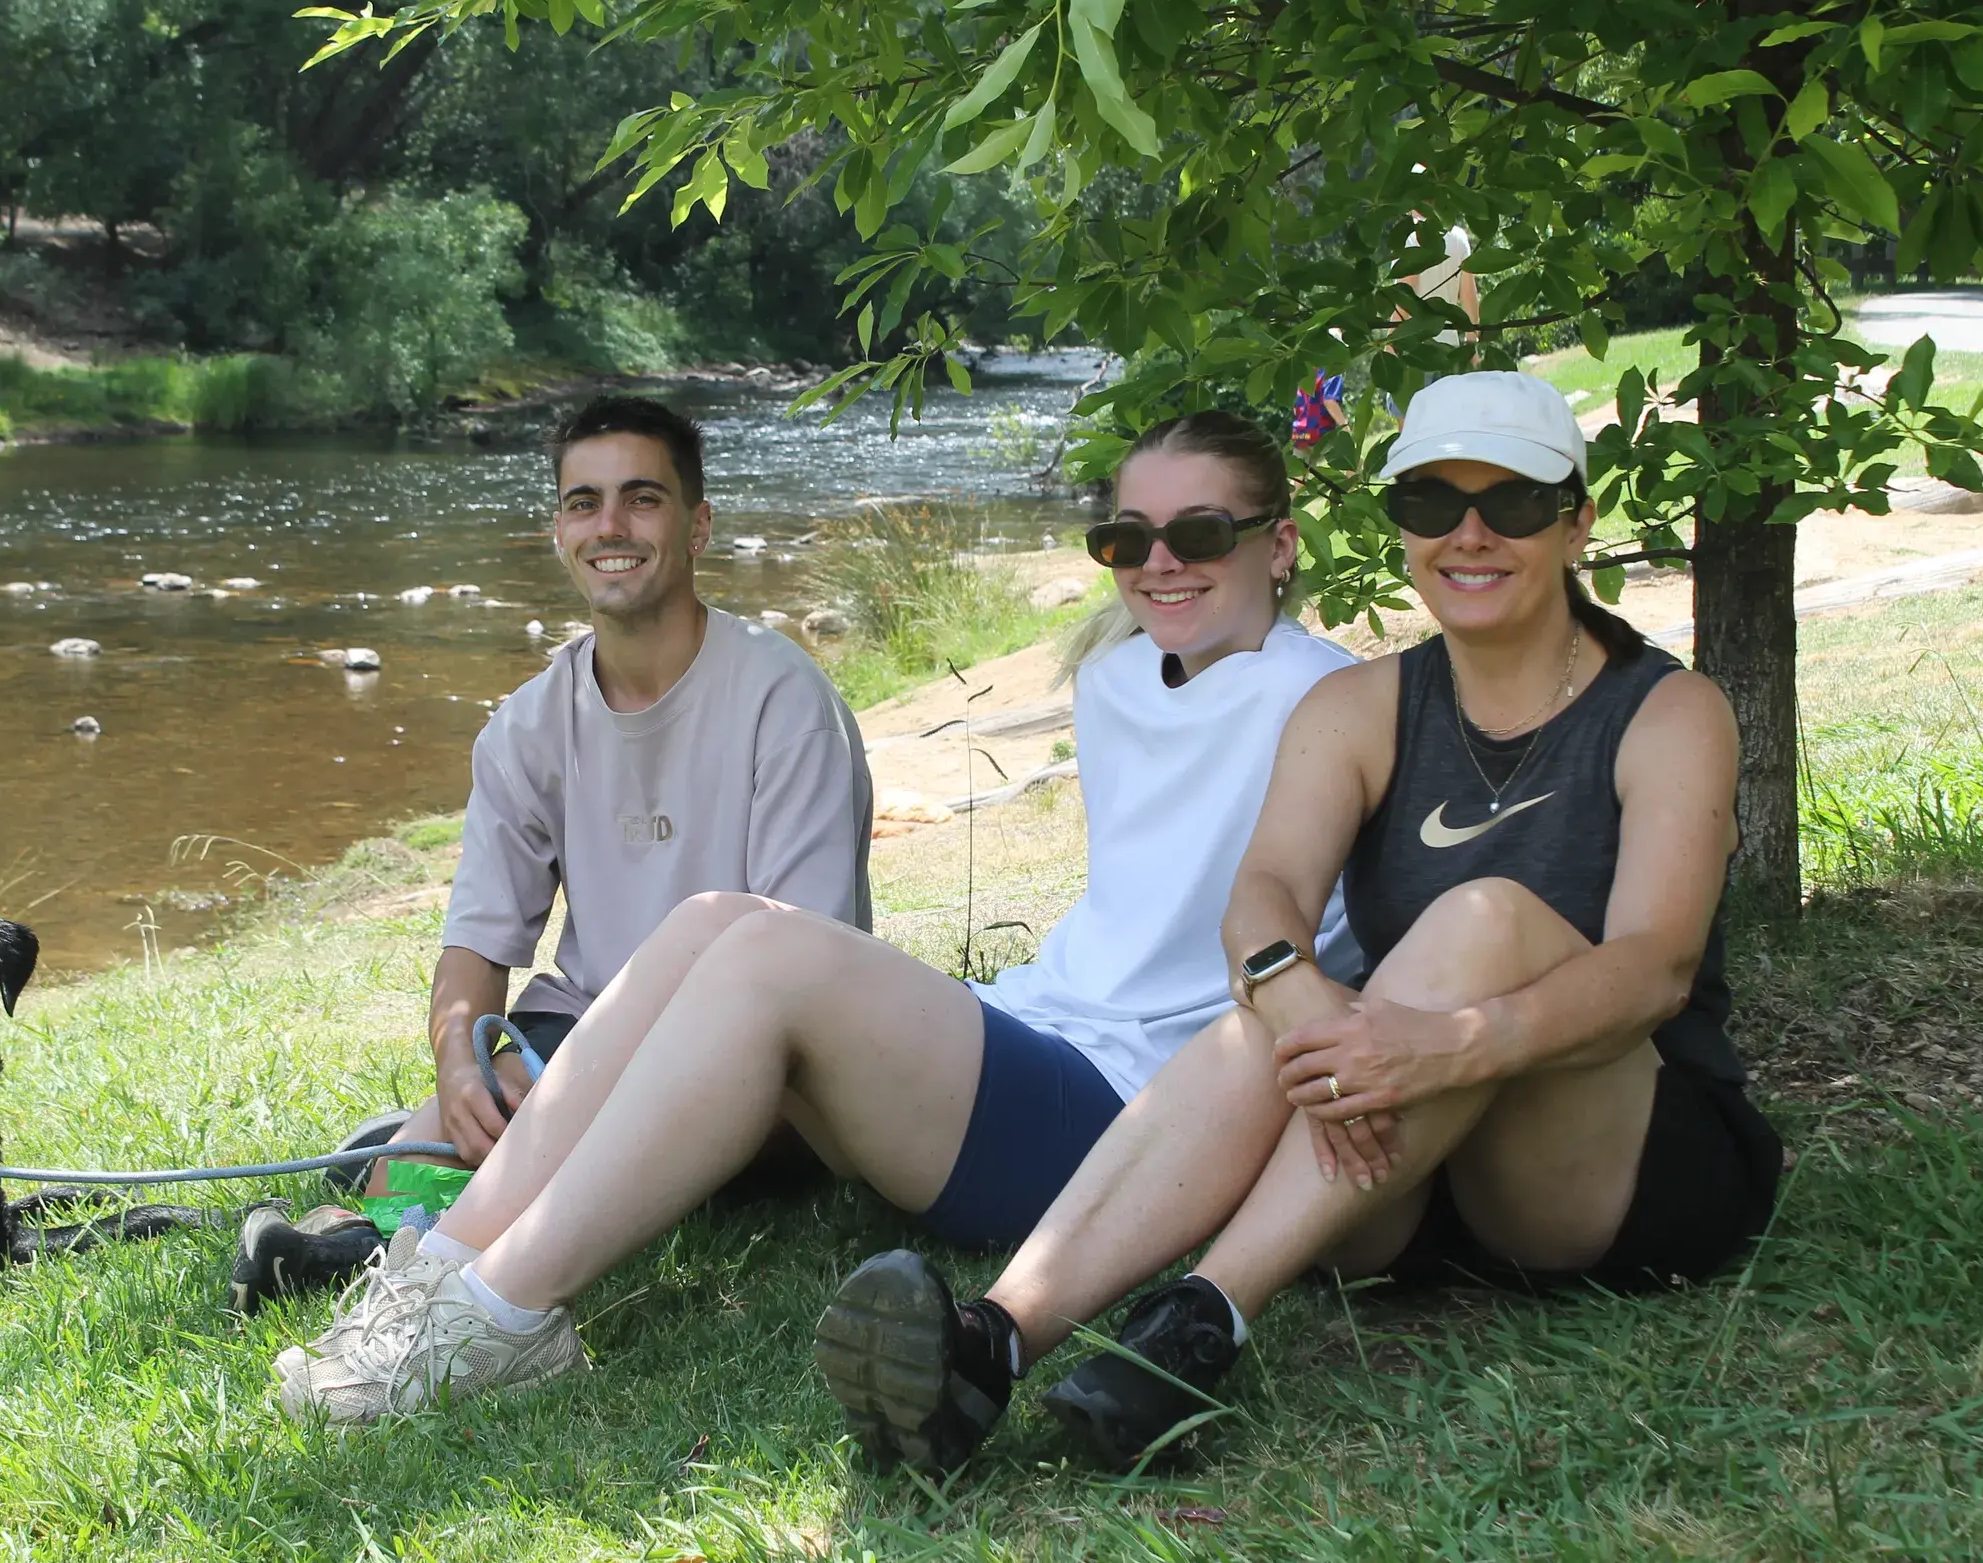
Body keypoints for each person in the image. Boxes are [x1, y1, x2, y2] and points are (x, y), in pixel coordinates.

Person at [270, 409, 1362, 1426]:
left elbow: (1372, 941)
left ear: (1278, 544)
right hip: (1038, 1031)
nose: (1160, 562)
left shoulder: (1333, 701)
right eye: (1127, 538)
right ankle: (433, 1271)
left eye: (1198, 532)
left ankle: (501, 1313)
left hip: (1134, 1115)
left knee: (768, 950)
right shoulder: (1120, 675)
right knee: (711, 919)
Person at [814, 370, 1781, 1473]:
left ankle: (1200, 1321)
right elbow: (1265, 894)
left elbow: (1655, 969)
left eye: (1511, 502)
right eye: (1431, 502)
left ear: (1574, 522)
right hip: (1403, 1174)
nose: (1469, 534)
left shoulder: (1667, 710)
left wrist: (1447, 1044)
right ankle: (989, 1342)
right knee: (1257, 1024)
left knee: (1486, 920)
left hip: (1611, 1166)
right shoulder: (1361, 705)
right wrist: (1302, 1003)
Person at [228, 394, 875, 1311]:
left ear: (697, 527)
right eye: (584, 503)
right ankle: (357, 1230)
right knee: (434, 1142)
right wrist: (459, 1068)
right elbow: (477, 946)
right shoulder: (528, 725)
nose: (610, 526)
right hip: (583, 1033)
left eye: (642, 499)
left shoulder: (785, 701)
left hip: (766, 1065)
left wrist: (568, 1095)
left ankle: (402, 1245)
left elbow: (803, 981)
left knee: (549, 1132)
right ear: (559, 532)